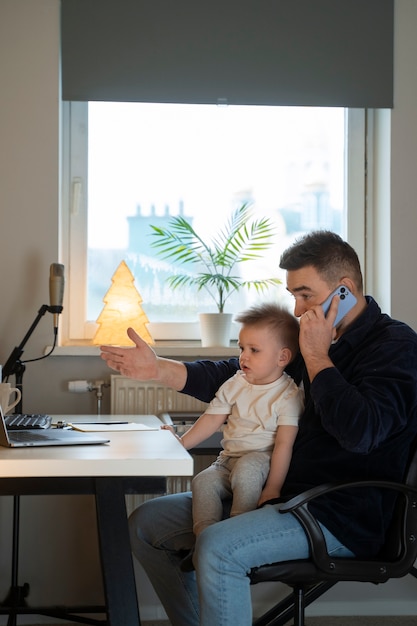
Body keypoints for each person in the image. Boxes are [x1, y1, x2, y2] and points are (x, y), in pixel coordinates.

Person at [100, 231, 417, 626]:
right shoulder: (314, 339)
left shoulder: (395, 346)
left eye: (305, 295)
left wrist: (317, 356)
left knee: (217, 546)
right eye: (293, 296)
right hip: (281, 494)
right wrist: (159, 369)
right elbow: (239, 374)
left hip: (339, 512)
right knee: (147, 525)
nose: (298, 310)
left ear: (344, 290)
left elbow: (361, 432)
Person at [163, 303, 303, 552]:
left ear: (282, 357)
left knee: (247, 470)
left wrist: (273, 488)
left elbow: (284, 445)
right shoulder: (235, 382)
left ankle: (237, 533)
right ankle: (205, 538)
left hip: (261, 460)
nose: (244, 356)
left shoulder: (288, 395)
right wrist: (181, 443)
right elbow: (211, 419)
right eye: (242, 348)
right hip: (227, 460)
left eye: (254, 350)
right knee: (202, 481)